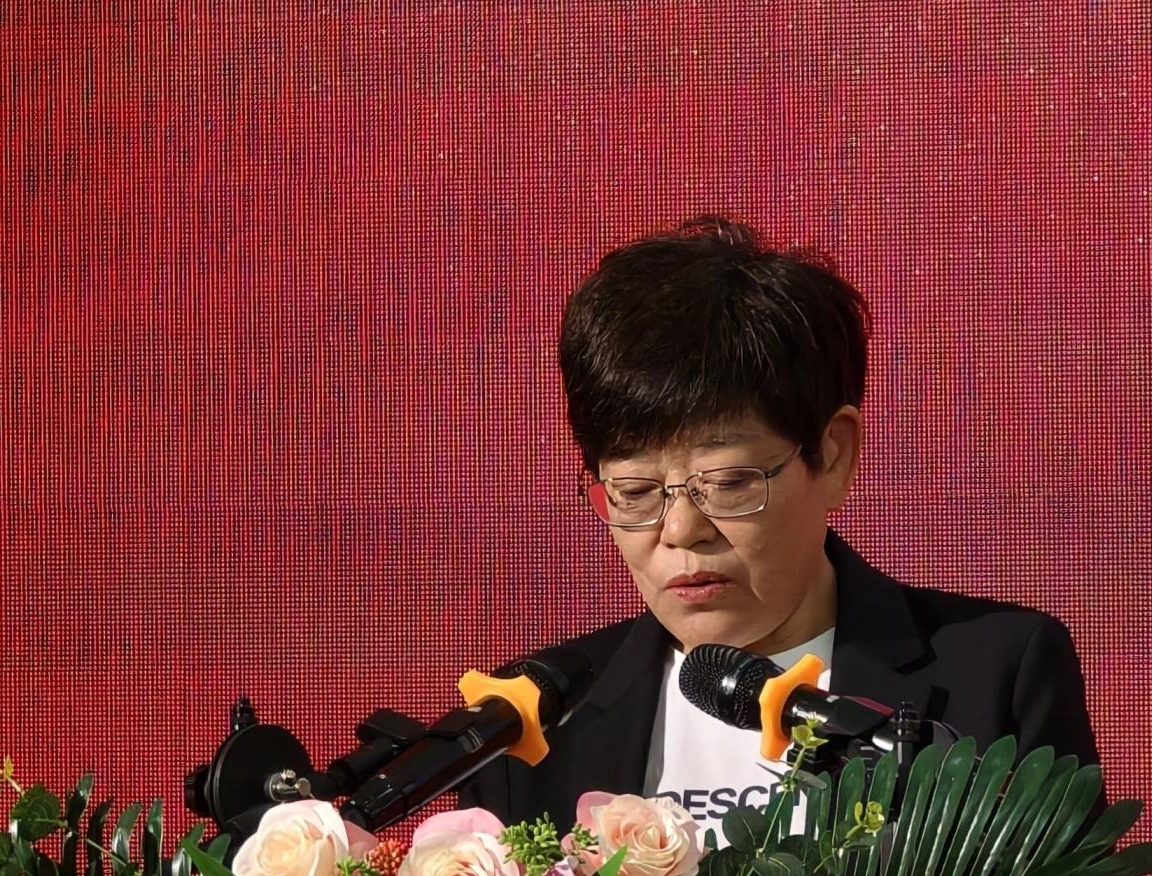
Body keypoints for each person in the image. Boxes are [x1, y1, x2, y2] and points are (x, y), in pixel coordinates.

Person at [459, 215, 1106, 834]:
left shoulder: (995, 675)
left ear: (833, 455)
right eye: (634, 492)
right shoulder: (526, 723)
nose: (681, 530)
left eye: (728, 483)